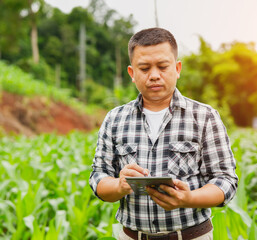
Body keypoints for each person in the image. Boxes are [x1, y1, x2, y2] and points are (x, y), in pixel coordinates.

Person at [89, 27, 238, 240]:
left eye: (162, 66)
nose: (154, 76)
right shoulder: (115, 119)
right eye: (144, 68)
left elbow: (225, 180)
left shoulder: (204, 116)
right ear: (132, 73)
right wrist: (119, 185)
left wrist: (188, 198)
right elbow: (98, 177)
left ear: (177, 68)